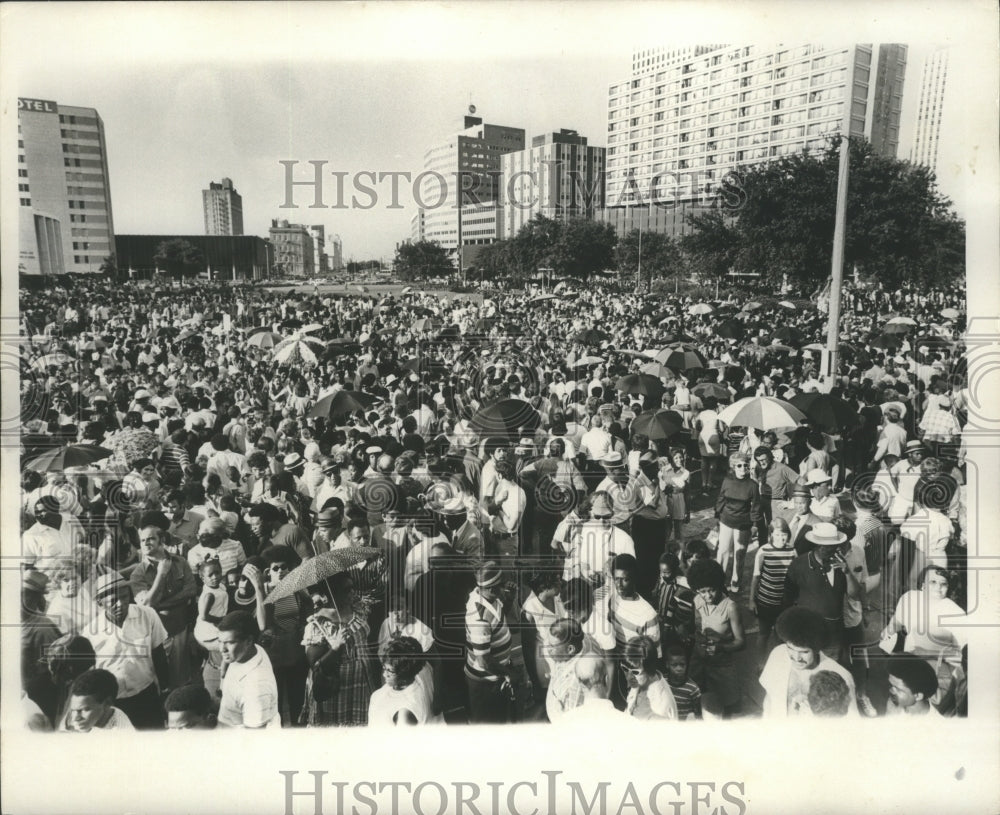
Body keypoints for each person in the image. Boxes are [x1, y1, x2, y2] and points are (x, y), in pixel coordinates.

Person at [87, 572, 169, 730]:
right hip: (114, 703)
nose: (120, 604)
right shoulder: (90, 633)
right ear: (99, 603)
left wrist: (165, 689)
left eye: (124, 597)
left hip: (147, 695)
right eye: (112, 601)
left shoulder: (147, 615)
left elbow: (159, 653)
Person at [300, 572, 379, 727]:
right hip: (336, 687)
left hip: (361, 683)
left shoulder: (358, 609)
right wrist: (336, 645)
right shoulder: (317, 625)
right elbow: (315, 664)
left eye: (352, 587)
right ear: (330, 594)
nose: (352, 592)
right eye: (346, 589)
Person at [130, 520, 197, 689]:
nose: (146, 543)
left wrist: (162, 604)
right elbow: (148, 604)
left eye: (151, 538)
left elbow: (191, 590)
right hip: (157, 635)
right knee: (161, 679)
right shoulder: (138, 574)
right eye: (143, 540)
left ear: (161, 540)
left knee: (181, 677)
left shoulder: (180, 562)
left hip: (181, 628)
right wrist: (161, 574)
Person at [758, 606, 857, 718]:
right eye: (790, 648)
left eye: (804, 652)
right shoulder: (778, 654)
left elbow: (851, 722)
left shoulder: (841, 676)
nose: (796, 657)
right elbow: (769, 698)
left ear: (817, 648)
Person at [464, 561, 522, 723]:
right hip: (485, 684)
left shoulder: (490, 599)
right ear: (491, 588)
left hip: (495, 676)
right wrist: (509, 673)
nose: (505, 587)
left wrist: (509, 600)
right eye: (502, 584)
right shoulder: (479, 618)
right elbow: (483, 661)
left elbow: (498, 618)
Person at [688, 559, 744, 718]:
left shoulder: (731, 607)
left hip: (721, 668)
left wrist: (721, 648)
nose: (707, 596)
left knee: (724, 713)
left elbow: (741, 642)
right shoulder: (697, 600)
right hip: (697, 663)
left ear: (719, 584)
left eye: (711, 590)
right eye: (702, 591)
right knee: (696, 707)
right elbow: (695, 627)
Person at [216, 610, 281, 729]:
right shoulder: (252, 650)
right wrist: (223, 675)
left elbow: (254, 738)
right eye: (220, 641)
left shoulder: (256, 687)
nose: (222, 649)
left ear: (249, 641)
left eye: (229, 643)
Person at [714, 452, 761, 593]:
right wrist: (717, 516)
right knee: (722, 551)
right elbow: (721, 499)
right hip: (726, 520)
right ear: (733, 467)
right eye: (739, 465)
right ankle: (719, 580)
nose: (742, 468)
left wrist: (755, 525)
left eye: (745, 465)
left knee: (739, 554)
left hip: (743, 524)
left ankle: (736, 581)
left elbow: (756, 507)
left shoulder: (753, 485)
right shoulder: (727, 481)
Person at [749, 518, 795, 659]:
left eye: (784, 535)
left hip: (785, 603)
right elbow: (756, 577)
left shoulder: (793, 551)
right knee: (763, 634)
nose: (781, 538)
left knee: (780, 635)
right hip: (765, 601)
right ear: (770, 535)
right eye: (777, 535)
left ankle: (777, 662)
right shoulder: (763, 551)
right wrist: (751, 600)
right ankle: (761, 662)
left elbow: (795, 576)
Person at [368, 636, 437, 725]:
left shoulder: (406, 712)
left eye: (390, 671)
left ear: (404, 673)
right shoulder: (383, 692)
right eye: (384, 668)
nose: (384, 674)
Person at [520, 570, 566, 690]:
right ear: (546, 584)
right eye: (557, 580)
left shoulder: (558, 599)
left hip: (564, 654)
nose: (561, 583)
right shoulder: (530, 607)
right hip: (545, 661)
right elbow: (528, 645)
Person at [59, 669, 135, 732]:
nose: (75, 718)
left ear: (107, 704)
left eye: (85, 710)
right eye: (73, 710)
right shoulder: (75, 713)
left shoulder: (121, 735)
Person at [622, 634, 678, 720]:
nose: (628, 676)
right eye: (625, 668)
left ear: (649, 669)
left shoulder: (660, 708)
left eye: (635, 672)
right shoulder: (641, 681)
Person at [651, 552, 695, 648]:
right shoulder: (661, 578)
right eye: (661, 571)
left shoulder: (682, 584)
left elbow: (684, 610)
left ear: (675, 570)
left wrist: (675, 624)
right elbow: (657, 595)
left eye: (666, 572)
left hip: (675, 624)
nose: (663, 574)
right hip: (661, 619)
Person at [193, 556, 228, 653]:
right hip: (208, 631)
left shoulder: (219, 586)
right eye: (210, 575)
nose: (215, 577)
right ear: (203, 578)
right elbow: (204, 616)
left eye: (217, 573)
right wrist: (222, 620)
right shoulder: (210, 595)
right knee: (229, 646)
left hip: (215, 625)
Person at [663, 643, 702, 720]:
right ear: (667, 665)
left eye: (682, 664)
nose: (679, 669)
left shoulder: (693, 688)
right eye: (674, 665)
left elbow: (698, 713)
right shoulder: (662, 682)